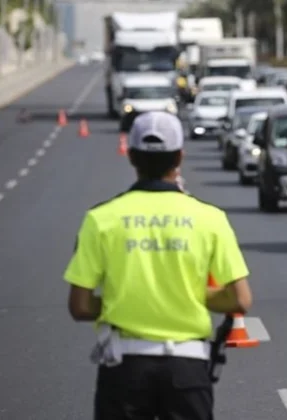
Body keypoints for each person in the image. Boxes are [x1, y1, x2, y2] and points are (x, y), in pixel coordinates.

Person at [64, 111, 253, 420]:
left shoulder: (100, 219)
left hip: (124, 368)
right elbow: (240, 299)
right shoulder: (210, 218)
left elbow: (80, 306)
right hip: (187, 369)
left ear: (131, 156)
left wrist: (126, 301)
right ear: (179, 157)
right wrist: (186, 295)